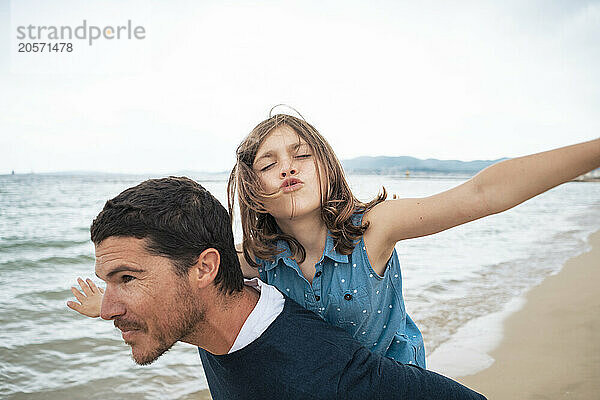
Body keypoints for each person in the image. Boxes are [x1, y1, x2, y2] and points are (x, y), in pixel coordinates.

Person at [71, 110, 600, 368]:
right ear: (252, 189)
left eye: (301, 155)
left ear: (325, 165)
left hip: (396, 388)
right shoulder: (257, 259)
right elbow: (184, 282)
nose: (287, 168)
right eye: (268, 162)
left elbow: (484, 193)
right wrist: (115, 301)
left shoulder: (375, 230)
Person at [75, 177, 486, 399]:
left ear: (204, 269)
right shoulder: (211, 312)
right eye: (108, 283)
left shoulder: (325, 370)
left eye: (127, 278)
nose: (110, 308)